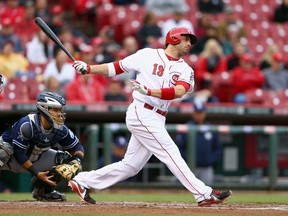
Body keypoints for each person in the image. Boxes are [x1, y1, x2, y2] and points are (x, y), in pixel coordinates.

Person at [68, 26, 232, 206]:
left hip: (158, 115)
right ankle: (203, 193)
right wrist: (88, 68)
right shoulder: (147, 55)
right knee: (170, 151)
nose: (189, 44)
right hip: (142, 111)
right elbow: (115, 68)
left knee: (131, 166)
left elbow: (178, 91)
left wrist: (150, 91)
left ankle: (83, 181)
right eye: (186, 39)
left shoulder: (186, 69)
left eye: (190, 41)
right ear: (175, 38)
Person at [0, 91, 85, 201]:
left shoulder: (61, 129)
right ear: (44, 109)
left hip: (34, 159)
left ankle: (43, 192)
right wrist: (37, 173)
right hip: (11, 158)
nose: (59, 114)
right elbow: (19, 153)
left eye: (60, 110)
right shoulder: (27, 124)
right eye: (55, 110)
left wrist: (76, 161)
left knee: (65, 160)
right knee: (4, 151)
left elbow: (77, 147)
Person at [175, 99, 221, 185]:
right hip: (190, 167)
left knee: (207, 190)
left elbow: (217, 148)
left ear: (205, 113)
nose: (199, 115)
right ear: (193, 113)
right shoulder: (186, 127)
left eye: (201, 112)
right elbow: (179, 147)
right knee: (187, 191)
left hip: (206, 167)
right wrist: (186, 160)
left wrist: (211, 160)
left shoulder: (211, 128)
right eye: (197, 113)